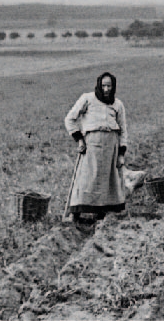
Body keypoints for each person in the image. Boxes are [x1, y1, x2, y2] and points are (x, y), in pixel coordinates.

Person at [64, 72, 129, 226]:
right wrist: (79, 139)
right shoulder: (87, 98)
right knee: (86, 178)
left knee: (107, 179)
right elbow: (70, 119)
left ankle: (102, 214)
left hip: (111, 147)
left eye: (109, 86)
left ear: (113, 87)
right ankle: (75, 213)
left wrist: (121, 154)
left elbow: (123, 130)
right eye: (104, 86)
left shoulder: (118, 104)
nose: (106, 89)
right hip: (91, 145)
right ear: (99, 85)